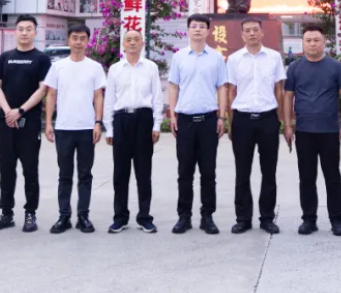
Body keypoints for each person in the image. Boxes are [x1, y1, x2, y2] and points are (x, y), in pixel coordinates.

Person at [283, 24, 341, 236]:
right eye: (308, 40)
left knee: (332, 176)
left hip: (329, 131)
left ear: (324, 42)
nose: (312, 44)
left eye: (316, 40)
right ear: (303, 43)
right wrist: (288, 125)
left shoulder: (335, 67)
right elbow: (288, 97)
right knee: (306, 178)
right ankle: (309, 219)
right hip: (304, 131)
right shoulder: (295, 68)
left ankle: (337, 220)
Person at [0, 15, 52, 234]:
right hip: (6, 122)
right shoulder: (5, 57)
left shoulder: (41, 59)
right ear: (15, 32)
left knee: (30, 169)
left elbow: (43, 89)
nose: (24, 33)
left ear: (35, 33)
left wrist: (21, 110)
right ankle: (6, 213)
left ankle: (30, 213)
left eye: (28, 29)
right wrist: (8, 111)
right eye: (21, 29)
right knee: (6, 169)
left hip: (29, 122)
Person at [168, 14, 228, 235]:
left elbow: (222, 87)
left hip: (208, 121)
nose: (198, 30)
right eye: (194, 26)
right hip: (185, 121)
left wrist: (221, 117)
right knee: (184, 172)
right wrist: (172, 115)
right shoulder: (179, 57)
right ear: (188, 30)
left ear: (208, 31)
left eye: (202, 26)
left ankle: (207, 216)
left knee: (208, 172)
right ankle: (184, 217)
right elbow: (173, 86)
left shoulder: (216, 58)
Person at [44, 24, 106, 234]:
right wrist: (48, 123)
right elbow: (51, 95)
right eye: (75, 38)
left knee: (85, 174)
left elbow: (98, 96)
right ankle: (64, 216)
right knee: (65, 174)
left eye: (82, 38)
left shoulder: (95, 67)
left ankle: (83, 216)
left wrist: (98, 122)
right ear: (68, 40)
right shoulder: (58, 67)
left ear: (87, 41)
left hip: (87, 128)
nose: (78, 42)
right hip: (63, 128)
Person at [226, 17, 286, 234]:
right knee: (242, 172)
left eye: (255, 30)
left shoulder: (274, 57)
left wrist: (280, 120)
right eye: (247, 30)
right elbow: (231, 91)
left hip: (268, 118)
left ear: (262, 33)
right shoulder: (234, 59)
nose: (251, 33)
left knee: (269, 171)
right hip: (242, 119)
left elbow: (279, 89)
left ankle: (267, 218)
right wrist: (231, 122)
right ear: (242, 35)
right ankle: (243, 218)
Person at [103, 29, 164, 234]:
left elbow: (157, 97)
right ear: (123, 44)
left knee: (143, 171)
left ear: (142, 43)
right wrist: (109, 128)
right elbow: (109, 100)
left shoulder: (150, 67)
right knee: (120, 173)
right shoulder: (115, 69)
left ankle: (145, 217)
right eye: (128, 39)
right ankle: (120, 217)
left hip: (143, 120)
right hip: (121, 121)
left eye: (136, 39)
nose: (132, 43)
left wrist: (156, 125)